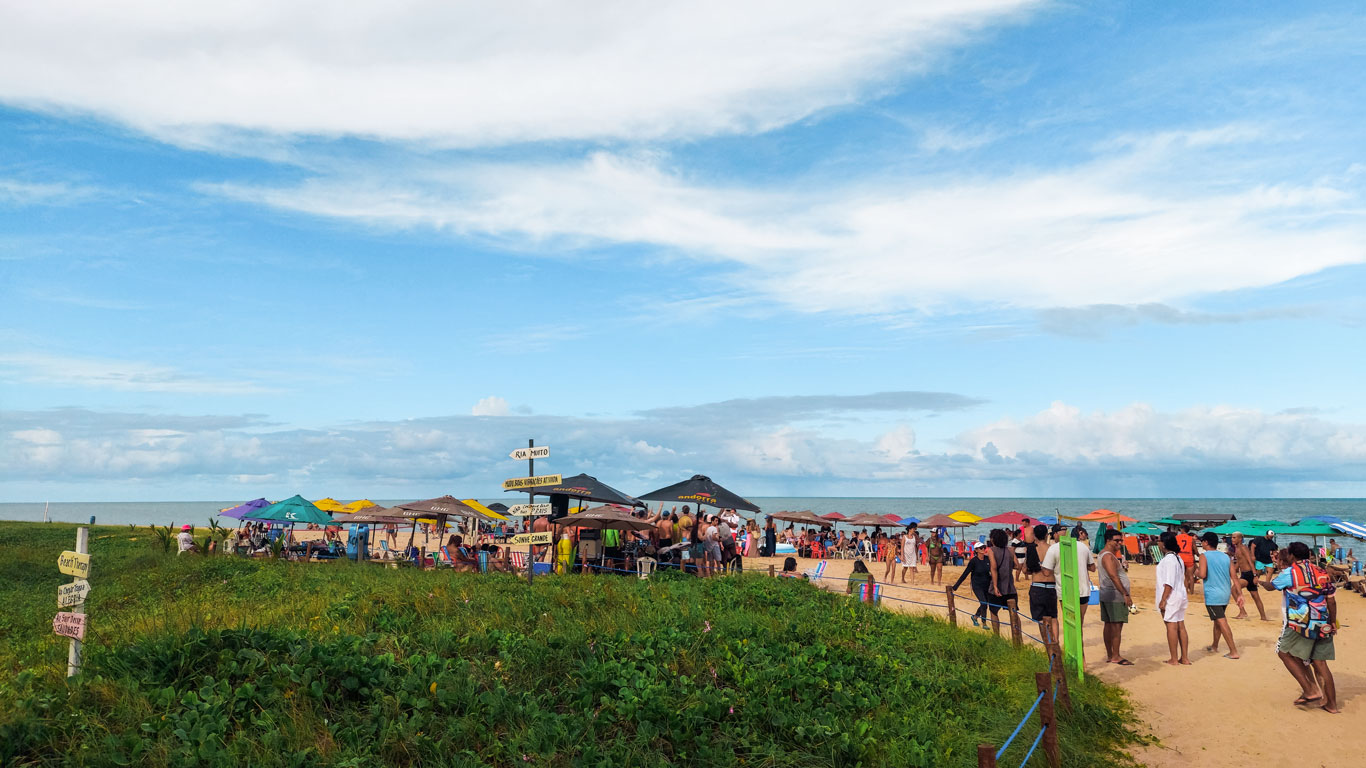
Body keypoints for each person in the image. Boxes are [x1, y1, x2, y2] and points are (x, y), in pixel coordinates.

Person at [1259, 543, 1340, 713]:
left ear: (1292, 556)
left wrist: (1258, 581)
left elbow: (1271, 586)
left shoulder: (1290, 573)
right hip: (1322, 621)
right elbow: (1331, 600)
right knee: (1320, 663)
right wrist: (1332, 622)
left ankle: (1310, 690)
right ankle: (1332, 705)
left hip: (1301, 623)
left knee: (1283, 652)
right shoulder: (1321, 571)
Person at [1198, 532, 1240, 659]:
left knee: (1221, 621)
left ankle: (1233, 651)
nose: (1202, 544)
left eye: (1202, 542)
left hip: (1213, 594)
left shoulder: (1204, 556)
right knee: (1218, 621)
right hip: (1225, 593)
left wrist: (1196, 572)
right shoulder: (1226, 557)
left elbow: (1203, 574)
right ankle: (1215, 645)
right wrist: (1240, 594)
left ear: (1206, 542)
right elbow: (1234, 577)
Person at [1097, 529, 1134, 665]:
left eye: (1120, 540)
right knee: (1116, 626)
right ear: (1108, 540)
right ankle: (1115, 655)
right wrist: (1125, 594)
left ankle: (1110, 654)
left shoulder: (1107, 555)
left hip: (1107, 593)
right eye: (1116, 540)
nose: (1119, 543)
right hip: (1114, 594)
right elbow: (1113, 576)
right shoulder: (1107, 556)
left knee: (1109, 624)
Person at [1156, 532, 1191, 666]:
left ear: (1164, 543)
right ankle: (1184, 658)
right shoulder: (1178, 558)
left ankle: (1174, 658)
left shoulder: (1170, 559)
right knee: (1180, 625)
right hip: (1180, 594)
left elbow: (1168, 583)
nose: (1158, 543)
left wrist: (1163, 599)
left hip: (1172, 596)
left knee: (1171, 626)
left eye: (1159, 541)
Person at [1025, 524, 1059, 645]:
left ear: (1034, 535)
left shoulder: (1031, 549)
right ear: (1046, 535)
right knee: (1053, 617)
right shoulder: (1052, 549)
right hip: (1051, 586)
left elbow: (1025, 569)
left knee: (1040, 619)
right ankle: (1056, 642)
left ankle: (1047, 643)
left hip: (1037, 586)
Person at [952, 542, 997, 627]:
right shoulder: (973, 561)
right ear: (976, 550)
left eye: (984, 547)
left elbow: (994, 571)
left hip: (987, 585)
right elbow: (965, 574)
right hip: (977, 585)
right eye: (981, 548)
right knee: (983, 603)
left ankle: (975, 617)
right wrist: (955, 587)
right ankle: (984, 623)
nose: (983, 549)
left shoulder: (988, 559)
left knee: (985, 603)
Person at [985, 529, 1018, 637]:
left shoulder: (991, 550)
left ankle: (996, 636)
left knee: (994, 612)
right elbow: (1017, 566)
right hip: (1010, 587)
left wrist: (995, 586)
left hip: (997, 586)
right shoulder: (1010, 550)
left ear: (993, 539)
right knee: (1013, 613)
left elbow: (993, 568)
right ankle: (1017, 637)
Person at [1230, 532, 1269, 621]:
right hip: (1244, 574)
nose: (1232, 539)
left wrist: (1255, 575)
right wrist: (1233, 571)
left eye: (1234, 537)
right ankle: (1262, 616)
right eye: (1232, 537)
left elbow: (1250, 561)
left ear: (1240, 539)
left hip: (1249, 574)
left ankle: (1246, 613)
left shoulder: (1243, 548)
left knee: (1236, 590)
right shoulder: (1237, 548)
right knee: (1254, 596)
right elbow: (1239, 562)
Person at [1176, 525, 1198, 593]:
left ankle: (1184, 591)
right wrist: (1198, 554)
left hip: (1180, 557)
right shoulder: (1191, 538)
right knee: (1190, 576)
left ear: (1182, 530)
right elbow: (1195, 549)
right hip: (1189, 557)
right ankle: (1191, 591)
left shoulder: (1177, 537)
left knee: (1180, 576)